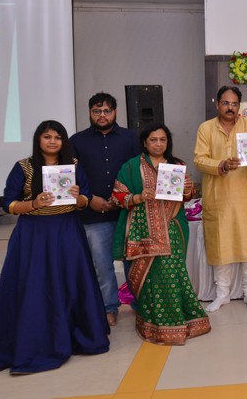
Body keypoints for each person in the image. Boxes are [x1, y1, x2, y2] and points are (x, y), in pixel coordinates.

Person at [0, 121, 109, 374]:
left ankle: (75, 337)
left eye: (58, 137)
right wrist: (34, 203)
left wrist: (78, 197)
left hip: (67, 231)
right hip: (34, 234)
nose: (53, 141)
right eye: (47, 137)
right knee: (35, 286)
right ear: (38, 140)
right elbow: (8, 204)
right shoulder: (24, 167)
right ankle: (33, 342)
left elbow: (86, 199)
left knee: (70, 282)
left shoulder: (73, 166)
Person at [112, 123, 211, 344]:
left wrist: (187, 190)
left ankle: (175, 321)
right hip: (142, 232)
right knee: (150, 280)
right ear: (145, 142)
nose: (158, 144)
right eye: (153, 140)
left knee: (171, 275)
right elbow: (117, 196)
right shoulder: (131, 167)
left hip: (172, 228)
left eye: (162, 140)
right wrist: (138, 197)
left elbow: (185, 197)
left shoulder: (176, 166)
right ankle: (151, 323)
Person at [194, 86, 247, 312]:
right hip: (219, 200)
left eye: (234, 104)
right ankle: (222, 294)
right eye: (225, 103)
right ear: (217, 104)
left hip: (246, 198)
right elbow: (199, 159)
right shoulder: (206, 128)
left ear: (239, 106)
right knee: (220, 247)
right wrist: (222, 164)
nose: (230, 107)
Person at [71, 92, 140, 327]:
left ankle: (138, 304)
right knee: (102, 265)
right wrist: (90, 199)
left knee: (133, 262)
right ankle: (109, 307)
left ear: (115, 112)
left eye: (106, 111)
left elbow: (137, 172)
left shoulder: (130, 138)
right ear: (90, 113)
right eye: (97, 111)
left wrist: (123, 198)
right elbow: (72, 177)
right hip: (94, 214)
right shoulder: (77, 141)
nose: (102, 115)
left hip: (127, 213)